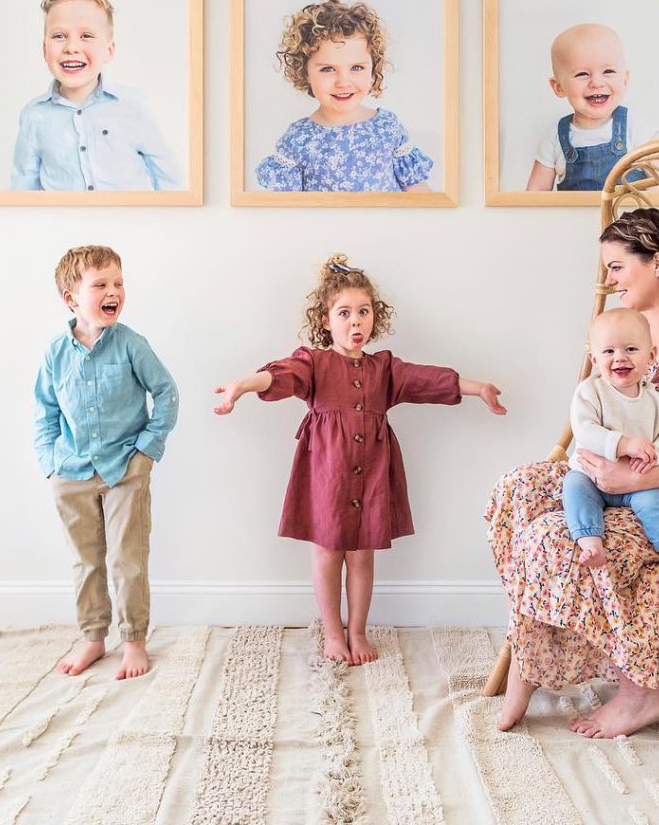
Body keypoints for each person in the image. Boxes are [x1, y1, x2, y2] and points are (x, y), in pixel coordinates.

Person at [486, 208, 659, 737]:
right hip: (618, 469)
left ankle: (641, 691)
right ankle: (530, 647)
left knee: (563, 536)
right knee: (516, 492)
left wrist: (636, 480)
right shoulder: (619, 334)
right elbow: (595, 415)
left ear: (656, 263)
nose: (607, 281)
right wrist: (601, 465)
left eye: (615, 267)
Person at [214, 253, 506, 664]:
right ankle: (333, 633)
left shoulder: (384, 368)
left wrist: (478, 388)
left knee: (363, 554)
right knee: (328, 552)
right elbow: (279, 376)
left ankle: (358, 632)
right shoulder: (313, 363)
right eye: (345, 312)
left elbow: (429, 380)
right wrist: (243, 385)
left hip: (372, 472)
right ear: (326, 321)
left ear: (375, 318)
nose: (355, 321)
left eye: (364, 312)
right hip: (326, 472)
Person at [34, 245, 179, 679]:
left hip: (124, 472)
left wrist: (146, 454)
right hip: (71, 472)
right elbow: (45, 412)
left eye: (118, 283)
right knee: (86, 560)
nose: (113, 291)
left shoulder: (132, 345)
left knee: (127, 558)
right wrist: (50, 466)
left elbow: (167, 395)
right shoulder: (55, 353)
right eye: (100, 285)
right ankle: (93, 637)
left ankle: (133, 640)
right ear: (71, 298)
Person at [11, 0, 183, 191]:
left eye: (86, 36)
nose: (71, 47)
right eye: (59, 36)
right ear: (45, 50)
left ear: (108, 51)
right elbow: (23, 188)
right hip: (62, 224)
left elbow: (170, 181)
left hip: (129, 223)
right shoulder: (33, 116)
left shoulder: (134, 106)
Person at [564, 307, 659, 596]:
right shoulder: (590, 391)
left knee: (656, 503)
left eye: (631, 349)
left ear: (651, 354)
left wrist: (655, 453)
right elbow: (583, 428)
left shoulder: (658, 399)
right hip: (592, 477)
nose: (619, 357)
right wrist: (622, 444)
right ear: (595, 359)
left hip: (638, 479)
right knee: (573, 487)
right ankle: (591, 543)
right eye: (608, 351)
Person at [256, 0, 433, 192]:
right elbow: (286, 212)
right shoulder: (298, 139)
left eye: (356, 67)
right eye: (327, 69)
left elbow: (419, 194)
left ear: (373, 69)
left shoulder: (387, 128)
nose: (343, 82)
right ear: (305, 72)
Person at [525, 23, 659, 192]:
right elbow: (534, 198)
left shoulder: (638, 130)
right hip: (572, 219)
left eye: (608, 71)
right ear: (558, 87)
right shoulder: (555, 138)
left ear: (625, 79)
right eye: (582, 74)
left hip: (629, 217)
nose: (596, 83)